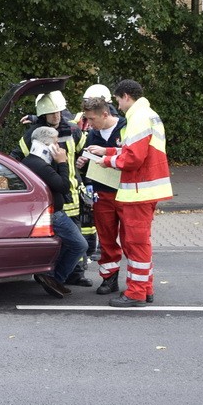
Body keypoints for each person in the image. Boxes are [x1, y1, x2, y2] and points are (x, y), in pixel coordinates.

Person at [85, 79, 172, 307]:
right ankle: (145, 288)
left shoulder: (138, 116)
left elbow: (132, 158)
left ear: (125, 96)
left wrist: (106, 159)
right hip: (142, 189)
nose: (118, 106)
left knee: (135, 244)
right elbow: (131, 150)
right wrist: (109, 150)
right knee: (139, 243)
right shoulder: (145, 114)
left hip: (138, 190)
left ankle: (136, 294)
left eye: (117, 100)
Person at [11, 90, 90, 287]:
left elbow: (86, 150)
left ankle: (75, 274)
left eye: (59, 112)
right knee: (63, 238)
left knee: (77, 234)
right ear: (43, 114)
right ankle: (53, 274)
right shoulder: (34, 135)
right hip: (53, 194)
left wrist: (84, 160)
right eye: (52, 113)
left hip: (72, 191)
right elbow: (16, 158)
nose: (56, 116)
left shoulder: (73, 131)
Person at [23, 125, 88, 298]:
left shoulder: (32, 161)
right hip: (55, 214)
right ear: (47, 144)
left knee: (64, 245)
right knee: (80, 244)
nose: (59, 145)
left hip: (48, 212)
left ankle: (51, 275)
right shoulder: (40, 165)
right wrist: (62, 162)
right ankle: (54, 278)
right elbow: (64, 186)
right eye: (56, 141)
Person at [76, 95, 127, 296]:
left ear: (105, 114)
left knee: (131, 240)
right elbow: (91, 162)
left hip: (125, 192)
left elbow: (133, 154)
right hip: (102, 192)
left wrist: (106, 154)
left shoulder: (125, 127)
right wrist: (83, 163)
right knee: (106, 239)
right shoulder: (92, 134)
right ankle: (109, 278)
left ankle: (137, 283)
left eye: (92, 119)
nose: (89, 124)